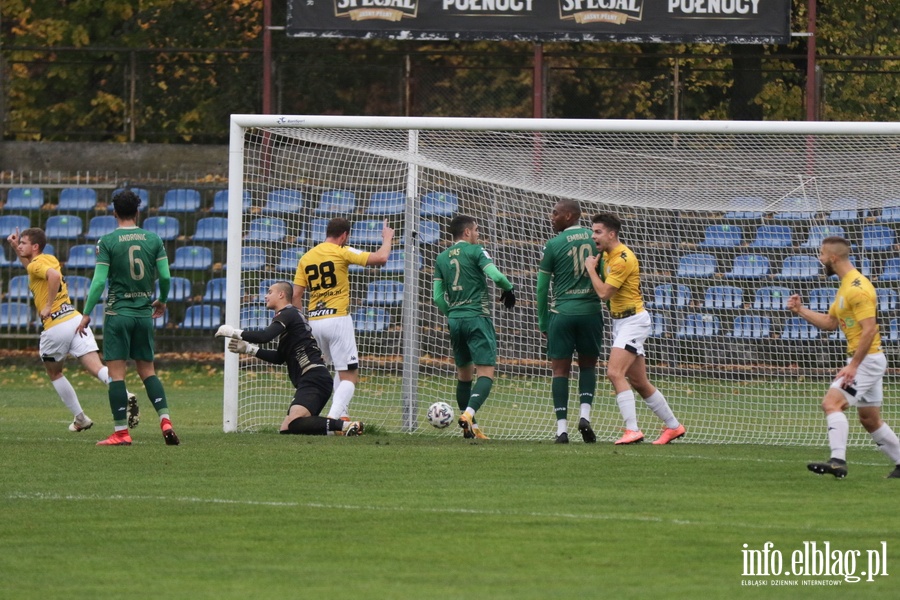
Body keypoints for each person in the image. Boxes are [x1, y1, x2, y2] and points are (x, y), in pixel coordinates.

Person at [787, 236, 900, 479]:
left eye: (822, 254)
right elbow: (829, 324)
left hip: (866, 360)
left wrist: (854, 366)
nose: (820, 259)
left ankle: (837, 461)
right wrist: (801, 310)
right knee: (870, 419)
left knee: (831, 403)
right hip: (866, 360)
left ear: (833, 258)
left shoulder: (858, 288)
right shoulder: (845, 285)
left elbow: (870, 329)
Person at [7, 227, 139, 433]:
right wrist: (16, 248)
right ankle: (125, 392)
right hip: (74, 319)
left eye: (23, 243)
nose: (20, 245)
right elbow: (36, 269)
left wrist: (49, 305)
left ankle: (80, 418)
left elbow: (52, 277)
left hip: (56, 326)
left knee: (55, 372)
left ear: (34, 246)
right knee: (97, 367)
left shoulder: (38, 266)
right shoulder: (46, 258)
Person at [76, 189, 179, 446]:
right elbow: (165, 277)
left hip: (118, 314)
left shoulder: (107, 242)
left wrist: (86, 313)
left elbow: (99, 282)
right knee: (148, 371)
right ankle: (165, 419)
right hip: (144, 313)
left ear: (114, 213)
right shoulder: (153, 239)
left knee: (117, 375)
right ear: (138, 212)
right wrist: (162, 300)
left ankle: (121, 432)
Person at [584, 213, 686, 445]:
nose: (593, 236)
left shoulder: (622, 258)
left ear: (612, 234)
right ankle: (674, 427)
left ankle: (633, 430)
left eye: (598, 231)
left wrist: (590, 268)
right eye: (593, 231)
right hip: (621, 323)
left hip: (633, 322)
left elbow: (603, 293)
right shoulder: (608, 255)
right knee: (640, 382)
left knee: (614, 373)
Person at [217, 281, 364, 436]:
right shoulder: (291, 320)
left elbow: (265, 336)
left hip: (313, 378)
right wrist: (249, 349)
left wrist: (234, 332)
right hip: (314, 379)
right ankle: (337, 431)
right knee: (287, 429)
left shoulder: (288, 313)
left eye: (269, 292)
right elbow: (280, 357)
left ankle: (344, 425)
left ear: (281, 294)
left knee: (294, 423)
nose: (266, 296)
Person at [292, 217, 394, 422]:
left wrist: (304, 323)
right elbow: (381, 258)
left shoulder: (307, 257)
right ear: (345, 236)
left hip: (315, 321)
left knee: (339, 367)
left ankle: (344, 416)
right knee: (350, 375)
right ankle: (332, 420)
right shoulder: (342, 251)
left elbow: (295, 296)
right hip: (337, 319)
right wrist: (387, 238)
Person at [432, 215, 516, 440]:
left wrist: (453, 314)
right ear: (467, 232)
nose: (478, 234)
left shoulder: (441, 258)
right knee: (486, 373)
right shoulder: (476, 251)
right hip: (477, 316)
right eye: (476, 230)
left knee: (464, 375)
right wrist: (509, 288)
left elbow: (438, 297)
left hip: (456, 320)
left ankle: (472, 428)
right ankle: (469, 414)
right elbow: (495, 275)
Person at [536, 199, 604, 444]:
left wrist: (543, 321)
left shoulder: (553, 244)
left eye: (555, 213)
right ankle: (584, 416)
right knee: (587, 366)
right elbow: (604, 278)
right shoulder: (596, 240)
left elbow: (542, 288)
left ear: (568, 216)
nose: (550, 216)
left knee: (560, 371)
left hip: (562, 314)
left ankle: (561, 430)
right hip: (590, 313)